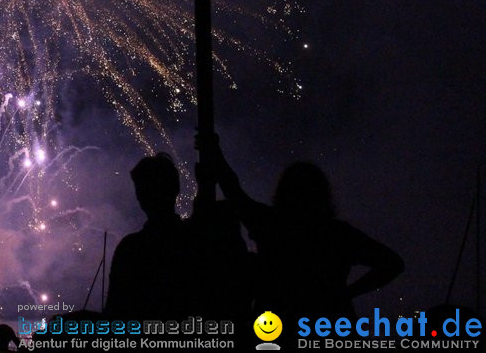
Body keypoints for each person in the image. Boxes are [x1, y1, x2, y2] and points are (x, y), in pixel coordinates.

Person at [199, 135, 404, 321]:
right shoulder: (337, 234)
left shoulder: (271, 224)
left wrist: (214, 151)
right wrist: (347, 293)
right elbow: (392, 263)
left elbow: (233, 190)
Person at [104, 153, 199, 320]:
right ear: (175, 189)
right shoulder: (196, 239)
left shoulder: (131, 248)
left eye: (144, 188)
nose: (142, 195)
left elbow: (115, 313)